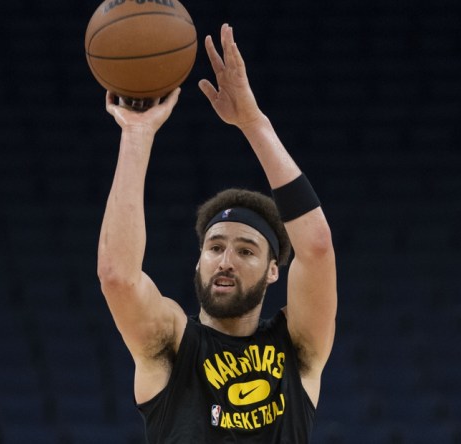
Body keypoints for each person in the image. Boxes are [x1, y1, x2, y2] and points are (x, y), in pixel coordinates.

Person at [97, 23, 337, 443]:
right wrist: (136, 134)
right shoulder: (172, 345)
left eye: (246, 251)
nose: (225, 261)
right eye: (215, 247)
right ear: (199, 258)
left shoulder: (297, 348)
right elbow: (118, 276)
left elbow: (315, 246)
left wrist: (253, 123)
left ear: (272, 270)